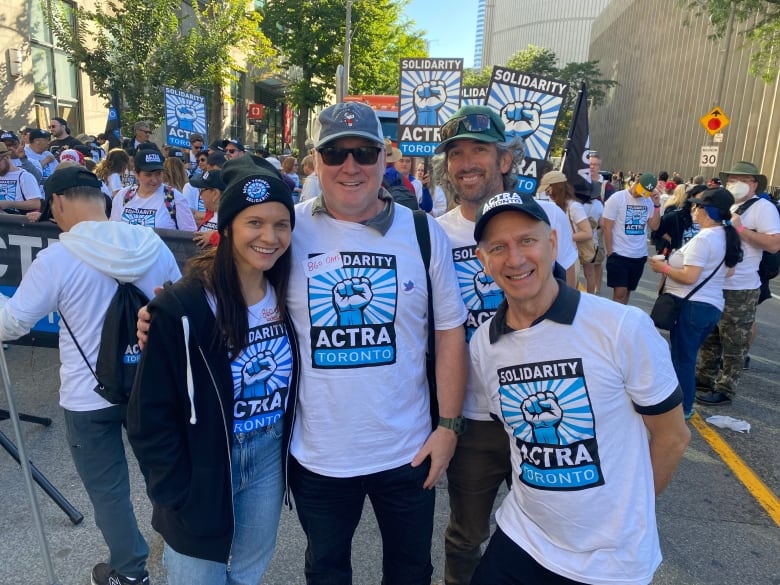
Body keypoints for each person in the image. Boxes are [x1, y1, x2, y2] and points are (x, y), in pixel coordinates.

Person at [468, 191, 690, 585]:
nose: (515, 259)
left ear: (553, 244)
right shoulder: (485, 343)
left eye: (527, 241)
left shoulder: (621, 327)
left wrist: (625, 515)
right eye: (498, 247)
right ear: (484, 262)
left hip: (609, 561)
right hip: (523, 536)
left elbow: (672, 436)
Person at [289, 102, 468, 585]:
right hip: (320, 455)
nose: (351, 166)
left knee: (410, 574)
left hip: (407, 452)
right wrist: (161, 312)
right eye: (336, 154)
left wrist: (448, 426)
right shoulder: (287, 228)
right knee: (325, 572)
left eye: (364, 153)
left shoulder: (423, 232)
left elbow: (450, 330)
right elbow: (232, 288)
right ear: (315, 162)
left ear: (384, 158)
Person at [0, 166, 181, 585]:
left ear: (57, 203)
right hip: (150, 389)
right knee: (165, 475)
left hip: (88, 397)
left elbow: (13, 324)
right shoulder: (151, 244)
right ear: (102, 200)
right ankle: (184, 555)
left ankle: (131, 572)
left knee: (109, 490)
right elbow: (179, 301)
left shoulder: (58, 258)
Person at [127, 156, 298, 585]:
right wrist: (172, 492)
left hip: (267, 458)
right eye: (254, 223)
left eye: (281, 224)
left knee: (245, 573)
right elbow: (148, 414)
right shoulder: (183, 307)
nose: (269, 236)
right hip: (202, 461)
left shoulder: (290, 297)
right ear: (227, 229)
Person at [431, 105, 523, 585]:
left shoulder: (542, 218)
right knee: (466, 537)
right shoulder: (434, 233)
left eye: (479, 150)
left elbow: (569, 302)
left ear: (504, 160)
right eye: (457, 152)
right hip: (473, 415)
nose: (467, 162)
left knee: (550, 531)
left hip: (535, 406)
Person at [649, 188, 743, 419]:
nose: (693, 209)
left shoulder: (704, 238)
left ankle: (682, 408)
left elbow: (690, 277)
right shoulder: (725, 234)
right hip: (710, 305)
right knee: (687, 356)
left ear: (707, 211)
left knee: (683, 359)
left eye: (697, 206)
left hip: (692, 305)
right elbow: (728, 272)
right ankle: (683, 405)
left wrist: (664, 268)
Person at [696, 162, 780, 406]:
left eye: (742, 179)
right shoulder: (729, 203)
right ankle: (704, 378)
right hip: (716, 282)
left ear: (754, 184)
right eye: (731, 179)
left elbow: (774, 244)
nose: (735, 184)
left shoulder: (763, 208)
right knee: (711, 334)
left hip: (741, 287)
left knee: (734, 340)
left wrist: (741, 228)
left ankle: (726, 387)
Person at [602, 172, 662, 304]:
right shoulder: (617, 198)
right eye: (641, 190)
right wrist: (610, 252)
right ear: (636, 182)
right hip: (619, 253)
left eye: (645, 193)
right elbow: (607, 227)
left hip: (638, 255)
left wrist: (657, 205)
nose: (641, 195)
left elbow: (654, 226)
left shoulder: (648, 201)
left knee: (628, 291)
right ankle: (614, 321)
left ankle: (622, 320)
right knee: (619, 293)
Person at [110, 148, 196, 231]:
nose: (154, 180)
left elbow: (189, 235)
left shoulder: (173, 198)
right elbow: (114, 231)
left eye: (158, 174)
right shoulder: (123, 196)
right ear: (136, 173)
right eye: (148, 175)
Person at [0, 141, 43, 213]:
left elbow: (36, 203)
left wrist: (10, 204)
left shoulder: (24, 176)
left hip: (16, 221)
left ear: (7, 157)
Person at [190, 168, 225, 248]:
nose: (200, 195)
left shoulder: (233, 216)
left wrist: (214, 237)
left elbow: (238, 242)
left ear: (215, 194)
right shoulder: (210, 213)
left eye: (202, 190)